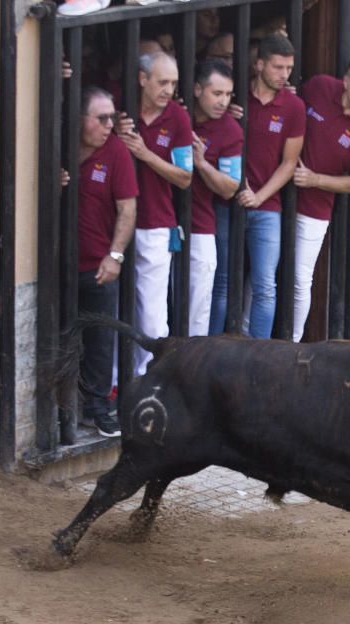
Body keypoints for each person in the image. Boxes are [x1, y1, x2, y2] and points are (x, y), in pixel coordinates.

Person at [291, 55, 350, 342]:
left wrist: (315, 180)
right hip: (277, 196)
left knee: (299, 279)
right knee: (261, 273)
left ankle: (291, 343)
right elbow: (291, 105)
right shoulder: (319, 88)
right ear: (345, 81)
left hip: (316, 210)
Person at [117, 51, 193, 373]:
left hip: (156, 223)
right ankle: (113, 386)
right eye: (162, 82)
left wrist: (144, 154)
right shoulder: (120, 110)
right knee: (118, 308)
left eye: (173, 83)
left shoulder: (178, 117)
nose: (169, 90)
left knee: (151, 312)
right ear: (142, 79)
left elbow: (185, 177)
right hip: (115, 223)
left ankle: (150, 383)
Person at [228, 34, 305, 338]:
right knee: (222, 282)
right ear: (259, 64)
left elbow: (289, 163)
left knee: (265, 286)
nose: (285, 74)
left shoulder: (294, 106)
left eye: (289, 68)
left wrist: (259, 197)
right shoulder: (235, 99)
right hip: (227, 200)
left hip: (267, 206)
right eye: (278, 67)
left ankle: (258, 352)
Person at [75, 86, 138, 437]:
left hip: (98, 266)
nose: (109, 125)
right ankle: (58, 411)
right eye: (101, 118)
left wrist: (115, 256)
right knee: (59, 338)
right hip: (58, 265)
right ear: (81, 119)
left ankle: (97, 408)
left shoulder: (115, 151)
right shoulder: (60, 144)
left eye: (112, 117)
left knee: (100, 340)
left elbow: (127, 206)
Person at [190, 60, 243, 336]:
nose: (223, 102)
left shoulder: (230, 130)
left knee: (203, 296)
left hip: (203, 221)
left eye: (228, 95)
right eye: (217, 93)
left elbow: (230, 187)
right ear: (197, 89)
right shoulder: (178, 114)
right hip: (162, 220)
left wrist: (202, 164)